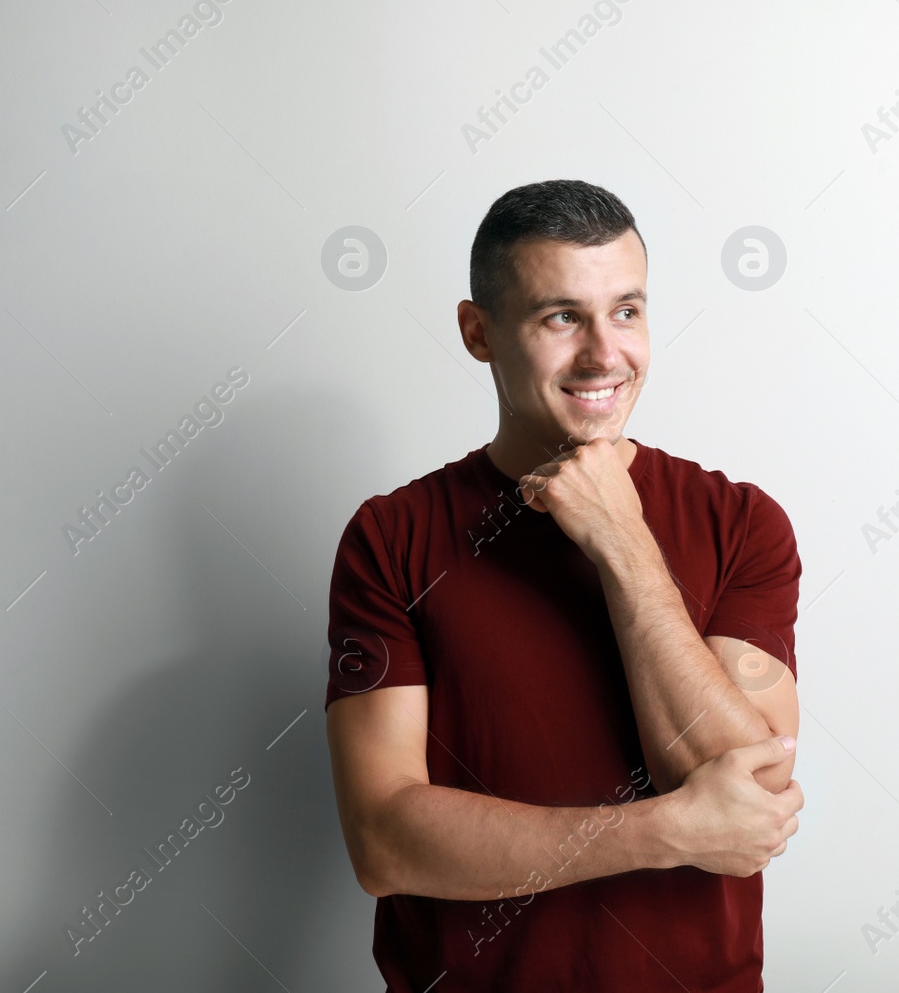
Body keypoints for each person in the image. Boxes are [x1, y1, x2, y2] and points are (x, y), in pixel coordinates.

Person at [324, 178, 804, 991]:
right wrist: (663, 831)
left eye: (626, 310)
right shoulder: (392, 536)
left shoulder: (741, 522)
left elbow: (749, 797)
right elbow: (385, 840)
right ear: (479, 332)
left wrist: (623, 542)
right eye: (561, 316)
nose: (605, 354)